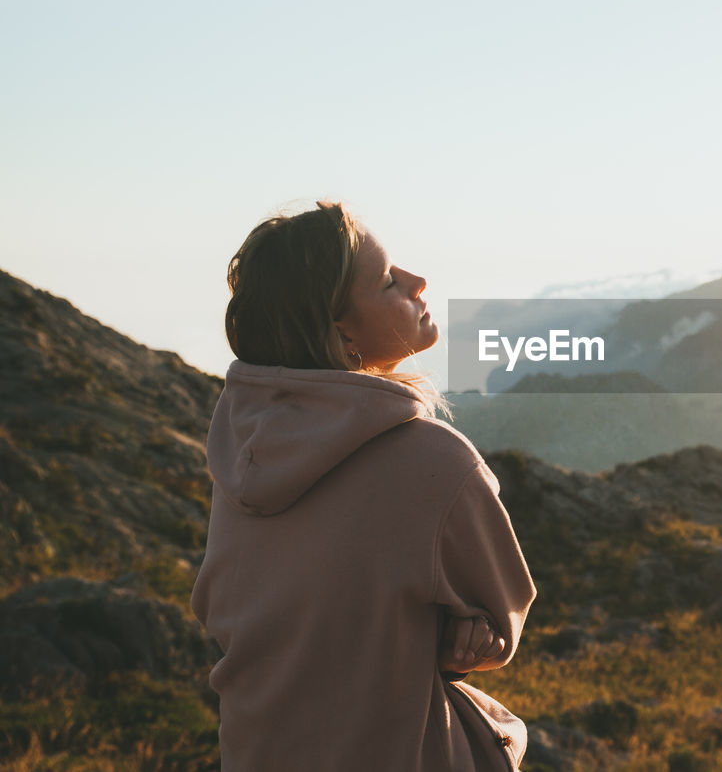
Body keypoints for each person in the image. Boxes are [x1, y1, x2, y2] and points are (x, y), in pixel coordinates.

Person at [191, 200, 537, 771]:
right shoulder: (436, 465)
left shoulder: (238, 460)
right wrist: (465, 635)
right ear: (340, 329)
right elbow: (501, 621)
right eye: (385, 281)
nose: (417, 281)